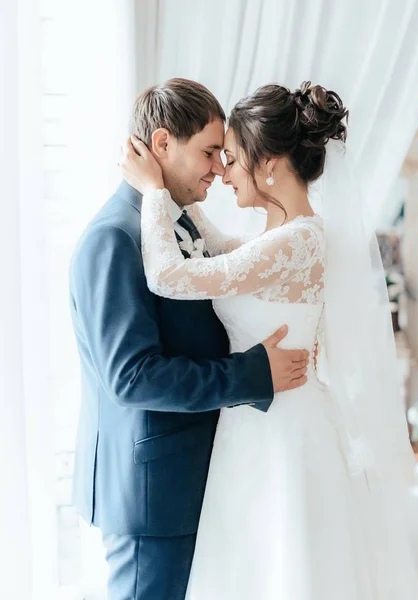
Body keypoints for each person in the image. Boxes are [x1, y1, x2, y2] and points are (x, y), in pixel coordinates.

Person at [121, 80, 418, 599]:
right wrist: (173, 187)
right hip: (257, 422)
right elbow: (215, 243)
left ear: (270, 164)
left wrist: (152, 193)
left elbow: (169, 276)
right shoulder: (278, 239)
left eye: (231, 158)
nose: (222, 171)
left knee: (289, 570)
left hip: (283, 433)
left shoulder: (298, 241)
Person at [69, 78, 310, 600]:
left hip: (194, 479)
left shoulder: (176, 224)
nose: (218, 170)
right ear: (161, 146)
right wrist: (252, 373)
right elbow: (132, 378)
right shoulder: (115, 239)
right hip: (153, 496)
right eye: (208, 152)